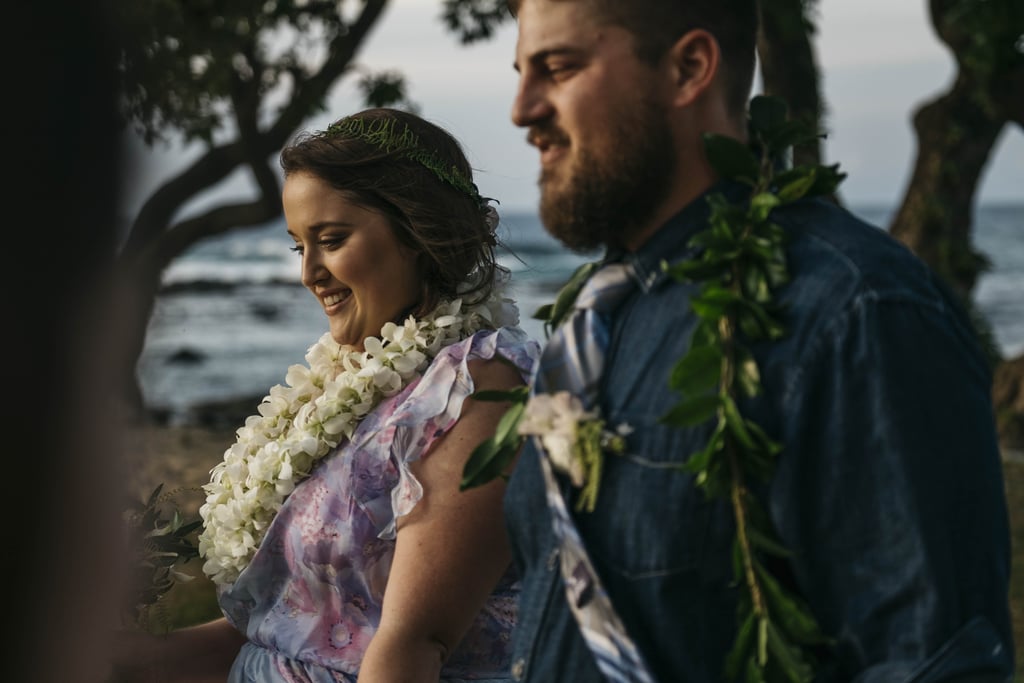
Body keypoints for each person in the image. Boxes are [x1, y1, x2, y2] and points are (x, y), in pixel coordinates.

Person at [500, 1, 1016, 681]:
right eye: (520, 73)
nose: (522, 109)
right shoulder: (596, 321)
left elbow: (926, 660)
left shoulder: (852, 314)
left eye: (558, 68)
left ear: (688, 69)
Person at [110, 107, 541, 682]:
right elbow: (289, 632)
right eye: (298, 247)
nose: (310, 272)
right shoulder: (350, 383)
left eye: (331, 240)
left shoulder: (480, 387)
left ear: (418, 232)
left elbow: (413, 646)